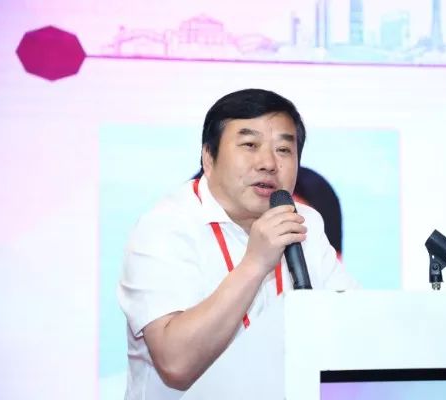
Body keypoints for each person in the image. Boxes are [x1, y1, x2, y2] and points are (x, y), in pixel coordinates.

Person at [118, 88, 359, 400]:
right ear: (208, 157)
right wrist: (255, 264)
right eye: (249, 145)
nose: (268, 163)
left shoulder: (306, 222)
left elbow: (353, 326)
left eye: (283, 149)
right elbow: (175, 365)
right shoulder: (165, 227)